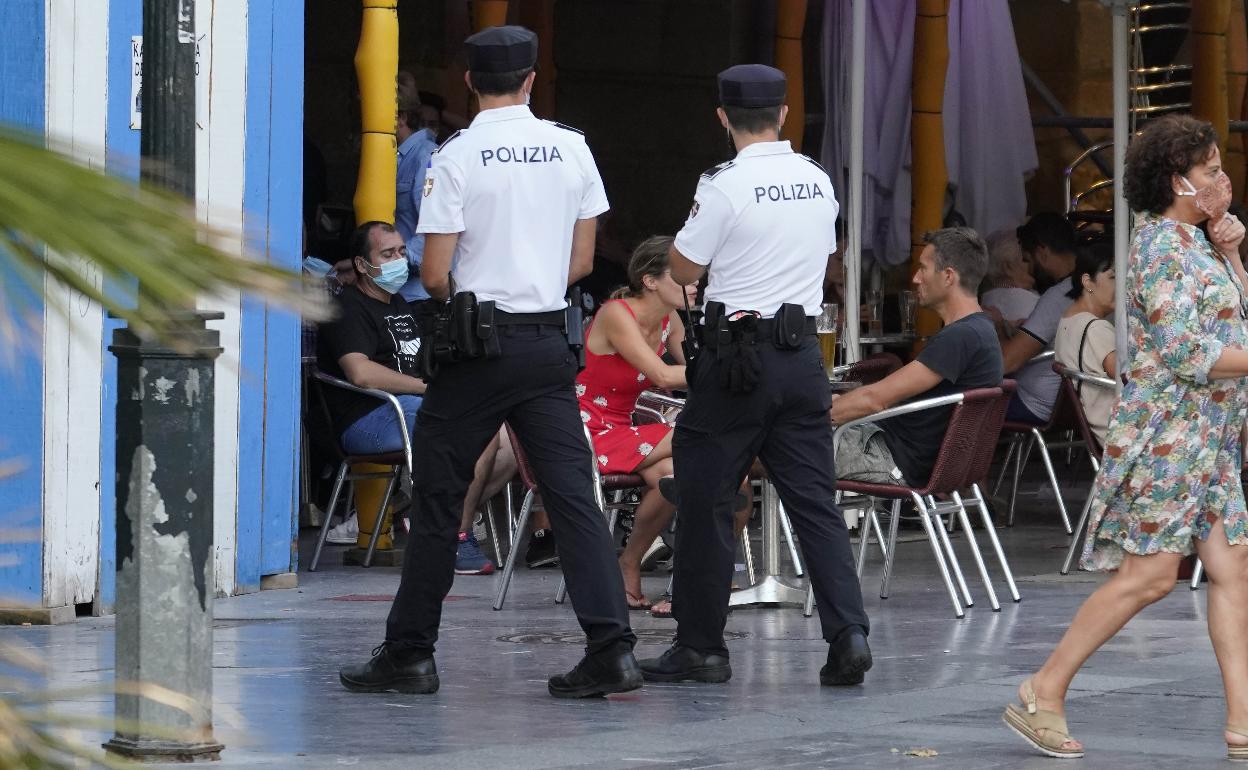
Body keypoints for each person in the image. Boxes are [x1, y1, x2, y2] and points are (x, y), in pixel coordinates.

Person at [339, 25, 640, 700]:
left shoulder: (458, 155)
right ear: (531, 79)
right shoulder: (572, 148)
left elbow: (439, 271)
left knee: (440, 498)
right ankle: (611, 647)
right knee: (572, 500)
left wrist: (484, 293)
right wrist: (532, 284)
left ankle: (410, 652)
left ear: (469, 82)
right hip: (546, 345)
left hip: (477, 349)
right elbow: (585, 262)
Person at [1003, 114, 1248, 761]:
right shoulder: (1161, 246)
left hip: (1210, 437)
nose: (1221, 180)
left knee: (1232, 567)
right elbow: (1185, 349)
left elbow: (1239, 324)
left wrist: (1231, 252)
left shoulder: (1198, 244)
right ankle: (1044, 687)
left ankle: (1244, 724)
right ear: (1178, 180)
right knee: (1151, 576)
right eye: (1210, 170)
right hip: (1171, 437)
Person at [638, 64, 872, 688]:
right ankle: (848, 633)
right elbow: (824, 253)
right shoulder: (816, 179)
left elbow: (685, 267)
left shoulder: (723, 184)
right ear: (784, 114)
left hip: (734, 359)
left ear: (722, 118)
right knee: (814, 503)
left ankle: (700, 647)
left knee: (707, 497)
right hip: (800, 359)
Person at [315, 221, 498, 573]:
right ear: (360, 264)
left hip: (412, 408)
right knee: (471, 430)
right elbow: (361, 373)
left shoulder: (399, 303)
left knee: (502, 437)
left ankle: (437, 522)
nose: (399, 260)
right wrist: (428, 390)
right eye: (387, 254)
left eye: (401, 251)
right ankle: (449, 532)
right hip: (368, 418)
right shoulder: (347, 308)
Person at [829, 228, 1003, 487]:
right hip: (913, 458)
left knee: (770, 446)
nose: (915, 278)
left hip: (893, 461)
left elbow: (875, 400)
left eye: (923, 269)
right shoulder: (980, 330)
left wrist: (811, 415)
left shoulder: (960, 337)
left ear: (948, 277)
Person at [577, 236, 691, 609]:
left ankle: (630, 559)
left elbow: (697, 362)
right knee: (698, 440)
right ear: (650, 279)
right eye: (684, 274)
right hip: (584, 429)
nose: (696, 281)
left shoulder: (669, 319)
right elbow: (663, 374)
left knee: (676, 475)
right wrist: (728, 372)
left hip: (625, 429)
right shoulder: (615, 313)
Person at [997, 213, 1078, 424]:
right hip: (1076, 406)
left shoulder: (1059, 295)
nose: (1030, 271)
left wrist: (996, 326)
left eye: (1027, 259)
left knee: (956, 400)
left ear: (1042, 251)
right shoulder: (1098, 287)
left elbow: (1007, 363)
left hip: (1034, 404)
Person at [1053, 240, 1116, 445]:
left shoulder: (1068, 319)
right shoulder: (1096, 328)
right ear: (1087, 282)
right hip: (1117, 430)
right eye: (1113, 277)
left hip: (1096, 426)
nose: (1123, 285)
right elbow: (1129, 375)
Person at [392, 82, 439, 303]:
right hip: (398, 290)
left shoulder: (426, 157)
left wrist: (386, 265)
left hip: (417, 296)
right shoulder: (400, 156)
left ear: (400, 117)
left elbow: (434, 228)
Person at [980, 228, 1038, 340]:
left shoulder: (987, 299)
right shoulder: (1029, 304)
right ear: (1008, 267)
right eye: (1026, 257)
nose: (1035, 262)